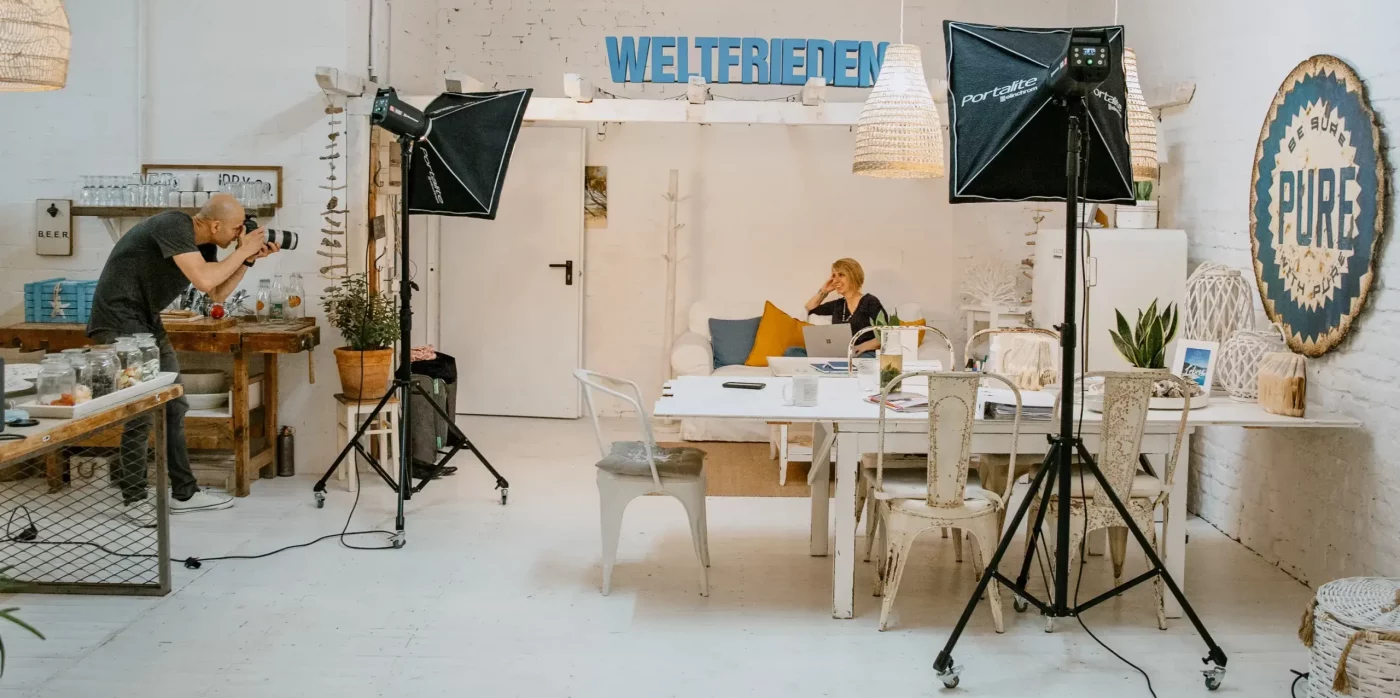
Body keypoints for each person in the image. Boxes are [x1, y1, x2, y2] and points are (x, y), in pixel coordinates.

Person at [87, 193, 281, 525]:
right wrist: (244, 250)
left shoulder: (204, 248)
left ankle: (184, 494)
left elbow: (215, 292)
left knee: (174, 404)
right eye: (236, 229)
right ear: (215, 224)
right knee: (141, 410)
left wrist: (246, 259)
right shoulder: (173, 224)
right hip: (119, 322)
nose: (239, 235)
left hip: (146, 320)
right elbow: (205, 279)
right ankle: (134, 498)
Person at [792, 258, 886, 357]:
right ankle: (830, 368)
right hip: (840, 354)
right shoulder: (838, 305)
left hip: (863, 354)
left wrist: (860, 347)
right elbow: (809, 309)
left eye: (841, 275)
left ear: (853, 276)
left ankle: (828, 369)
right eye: (834, 275)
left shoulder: (870, 301)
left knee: (858, 362)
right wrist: (824, 291)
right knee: (792, 351)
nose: (835, 280)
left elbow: (885, 334)